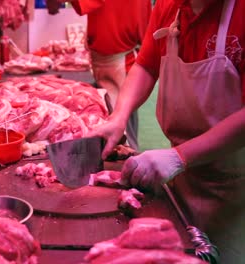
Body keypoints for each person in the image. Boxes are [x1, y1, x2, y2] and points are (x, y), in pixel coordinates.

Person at [87, 0, 245, 262]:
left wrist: (179, 156)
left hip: (235, 184)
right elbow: (146, 65)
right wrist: (119, 116)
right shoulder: (170, 5)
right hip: (182, 177)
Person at [69, 0, 153, 150]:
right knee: (122, 119)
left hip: (120, 63)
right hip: (122, 57)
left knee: (120, 124)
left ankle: (127, 162)